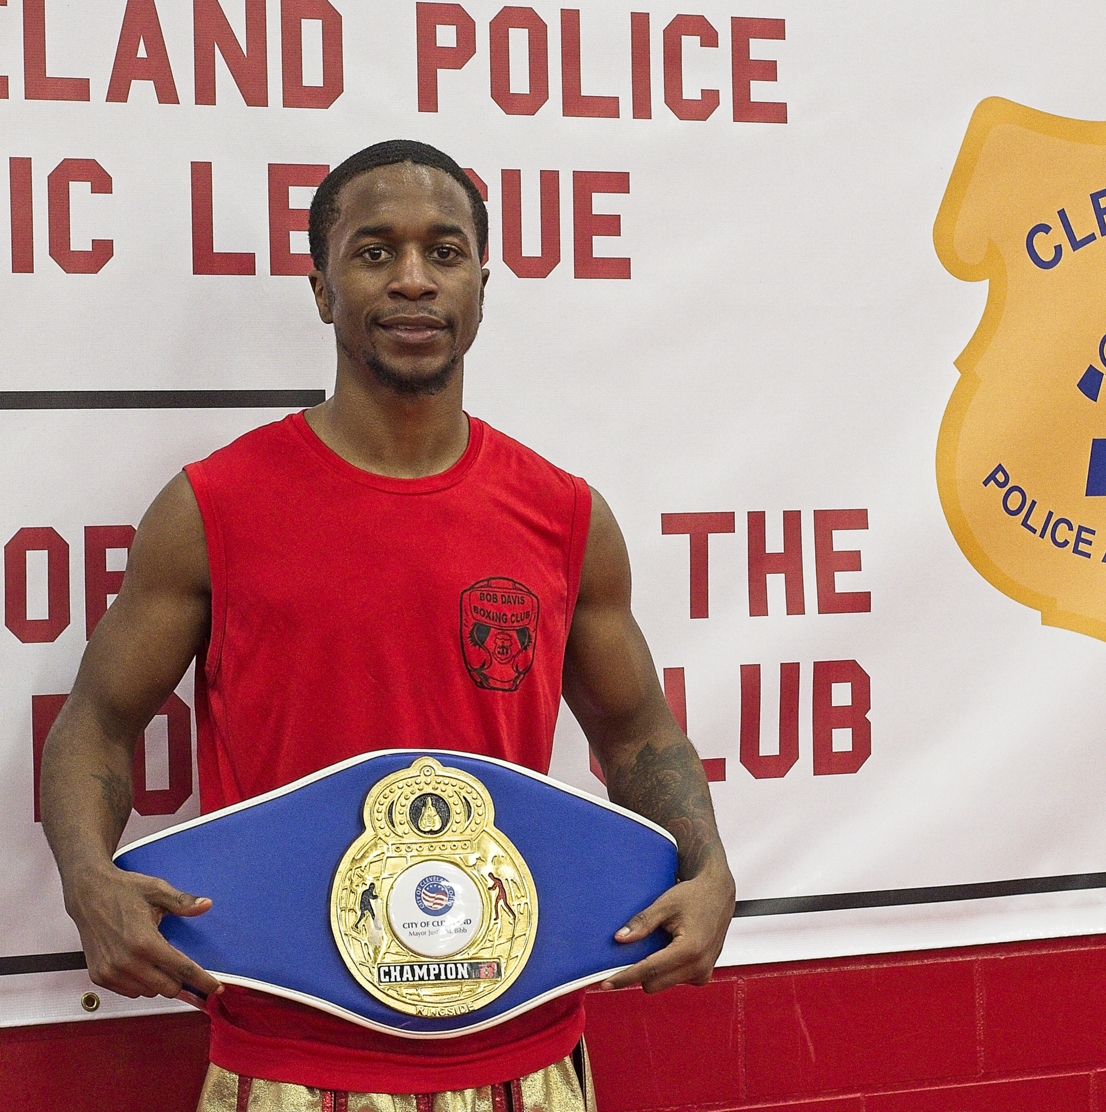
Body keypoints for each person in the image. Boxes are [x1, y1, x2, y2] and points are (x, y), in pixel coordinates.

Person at [40, 140, 736, 1112]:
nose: (413, 277)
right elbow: (96, 723)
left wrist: (708, 867)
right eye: (375, 251)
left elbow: (639, 734)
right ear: (322, 288)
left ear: (482, 289)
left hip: (520, 1049)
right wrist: (88, 880)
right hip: (291, 1054)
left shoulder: (565, 514)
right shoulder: (217, 507)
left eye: (443, 251)